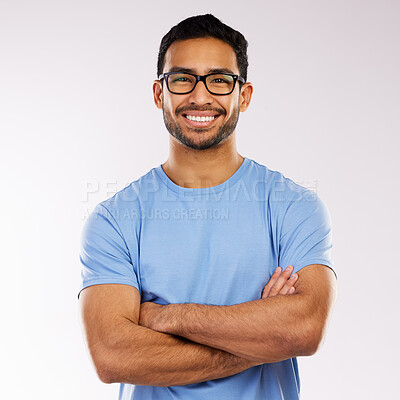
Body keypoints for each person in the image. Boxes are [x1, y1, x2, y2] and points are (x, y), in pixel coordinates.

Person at [78, 13, 337, 400]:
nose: (200, 96)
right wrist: (262, 339)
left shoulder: (293, 206)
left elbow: (303, 330)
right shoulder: (115, 219)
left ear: (243, 95)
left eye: (219, 80)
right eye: (182, 79)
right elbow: (113, 356)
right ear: (158, 93)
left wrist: (166, 317)